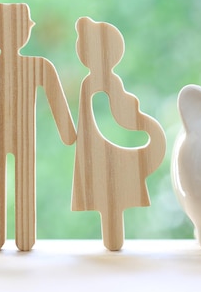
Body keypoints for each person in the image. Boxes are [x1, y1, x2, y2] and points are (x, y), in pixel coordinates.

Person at [0, 3, 76, 251]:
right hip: (2, 138)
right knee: (1, 183)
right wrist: (69, 134)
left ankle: (19, 237)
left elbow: (58, 105)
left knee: (18, 183)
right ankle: (4, 237)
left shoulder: (38, 67)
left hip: (19, 138)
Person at [71, 17, 165, 251]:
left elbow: (123, 115)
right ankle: (112, 240)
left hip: (98, 152)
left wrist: (132, 110)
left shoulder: (95, 83)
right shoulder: (97, 83)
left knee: (110, 198)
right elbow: (123, 116)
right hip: (99, 152)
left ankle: (112, 240)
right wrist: (132, 109)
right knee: (110, 197)